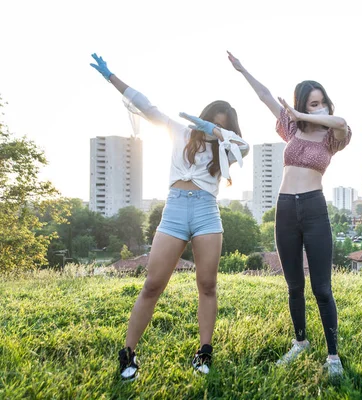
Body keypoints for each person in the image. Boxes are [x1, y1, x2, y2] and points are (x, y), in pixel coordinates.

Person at [90, 53, 249, 380]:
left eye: (223, 125)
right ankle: (129, 354)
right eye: (212, 121)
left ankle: (204, 353)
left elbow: (244, 146)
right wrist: (111, 77)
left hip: (207, 211)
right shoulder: (180, 131)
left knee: (207, 284)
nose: (215, 128)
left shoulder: (227, 147)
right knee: (152, 284)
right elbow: (147, 106)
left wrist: (218, 134)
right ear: (202, 118)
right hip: (175, 209)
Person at [228, 51, 351, 377]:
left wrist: (302, 112)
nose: (320, 107)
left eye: (322, 101)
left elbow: (341, 123)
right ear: (302, 104)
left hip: (314, 207)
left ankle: (333, 355)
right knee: (294, 284)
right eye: (313, 103)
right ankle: (300, 342)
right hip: (284, 209)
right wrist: (243, 70)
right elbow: (265, 95)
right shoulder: (291, 130)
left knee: (322, 288)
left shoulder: (331, 138)